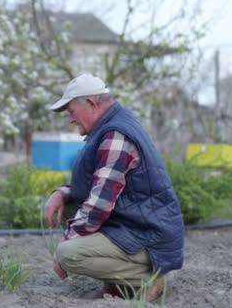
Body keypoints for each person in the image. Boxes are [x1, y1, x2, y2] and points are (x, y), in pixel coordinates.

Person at [43, 74, 184, 301]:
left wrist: (64, 245)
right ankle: (117, 285)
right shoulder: (108, 128)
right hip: (134, 226)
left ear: (91, 103)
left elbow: (98, 204)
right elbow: (95, 183)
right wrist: (62, 193)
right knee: (70, 210)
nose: (70, 119)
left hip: (148, 236)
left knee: (69, 254)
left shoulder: (116, 135)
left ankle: (148, 277)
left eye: (71, 111)